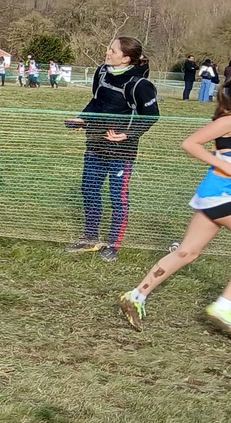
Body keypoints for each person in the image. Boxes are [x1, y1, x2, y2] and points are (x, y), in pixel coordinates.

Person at [119, 72, 231, 339]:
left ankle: (135, 296)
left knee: (187, 253)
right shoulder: (230, 121)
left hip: (219, 196)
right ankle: (224, 307)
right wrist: (221, 164)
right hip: (224, 197)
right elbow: (190, 143)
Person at [64, 36, 160, 261]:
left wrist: (128, 134)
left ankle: (113, 245)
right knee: (89, 190)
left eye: (113, 50)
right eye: (109, 48)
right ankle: (90, 238)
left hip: (121, 153)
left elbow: (152, 116)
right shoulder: (101, 72)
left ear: (126, 58)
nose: (108, 52)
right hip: (95, 145)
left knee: (118, 198)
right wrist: (82, 119)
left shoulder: (140, 85)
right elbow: (96, 102)